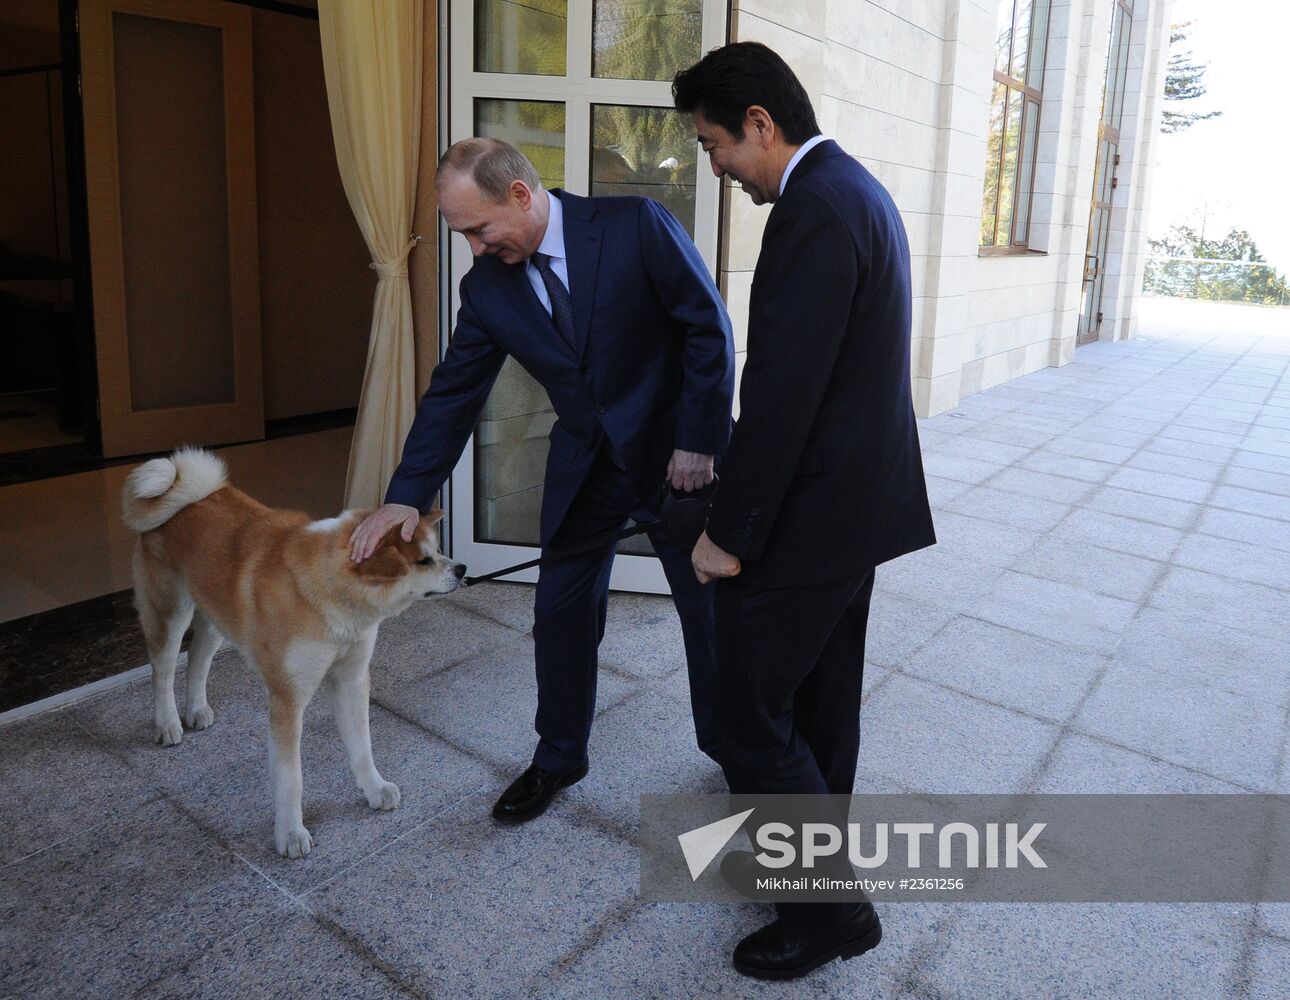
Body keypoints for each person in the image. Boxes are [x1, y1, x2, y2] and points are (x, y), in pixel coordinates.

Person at [349, 138, 735, 824]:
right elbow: (454, 393)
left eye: (478, 228)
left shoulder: (633, 226)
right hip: (587, 469)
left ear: (520, 195)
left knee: (709, 614)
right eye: (462, 233)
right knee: (557, 613)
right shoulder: (488, 288)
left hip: (676, 461)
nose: (473, 247)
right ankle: (558, 756)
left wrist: (699, 443)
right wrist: (407, 492)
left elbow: (706, 327)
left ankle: (735, 748)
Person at [673, 42, 936, 979]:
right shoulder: (853, 189)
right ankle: (802, 867)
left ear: (759, 124)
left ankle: (833, 915)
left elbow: (784, 396)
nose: (716, 169)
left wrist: (724, 537)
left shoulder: (815, 211)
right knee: (819, 704)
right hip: (853, 509)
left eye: (714, 147)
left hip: (812, 513)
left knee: (748, 713)